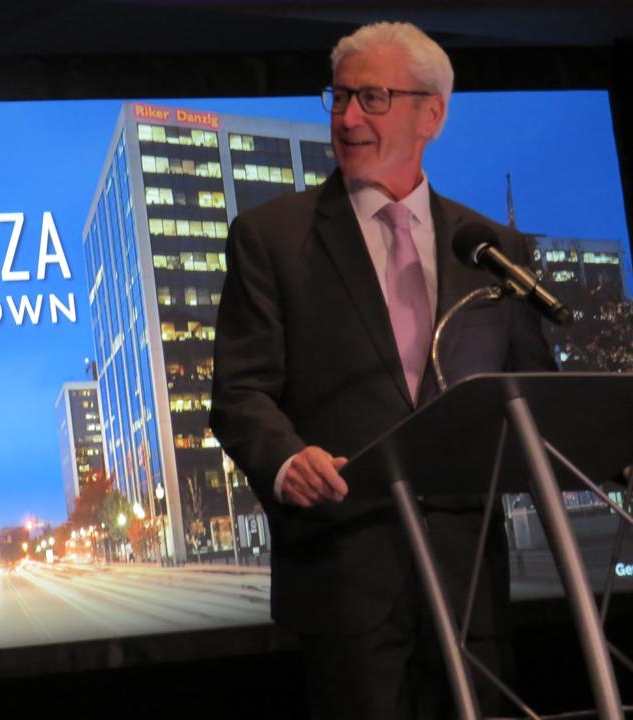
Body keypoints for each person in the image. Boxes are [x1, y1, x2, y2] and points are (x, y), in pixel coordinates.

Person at [209, 21, 556, 720]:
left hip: (469, 584)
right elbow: (241, 391)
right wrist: (284, 459)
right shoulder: (272, 237)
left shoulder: (490, 247)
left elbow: (535, 399)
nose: (347, 118)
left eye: (372, 97)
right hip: (346, 577)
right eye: (337, 98)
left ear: (432, 113)